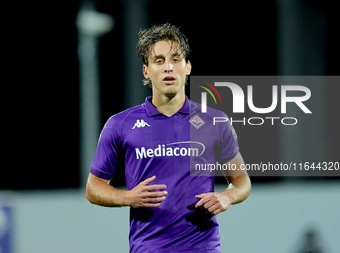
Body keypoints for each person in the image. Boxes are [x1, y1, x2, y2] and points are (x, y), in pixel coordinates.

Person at [86, 23, 251, 253]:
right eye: (159, 60)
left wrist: (227, 197)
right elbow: (93, 188)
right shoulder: (120, 124)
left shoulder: (215, 121)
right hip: (149, 248)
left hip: (203, 247)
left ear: (188, 67)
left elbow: (242, 181)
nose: (168, 68)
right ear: (146, 71)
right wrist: (127, 197)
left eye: (175, 59)